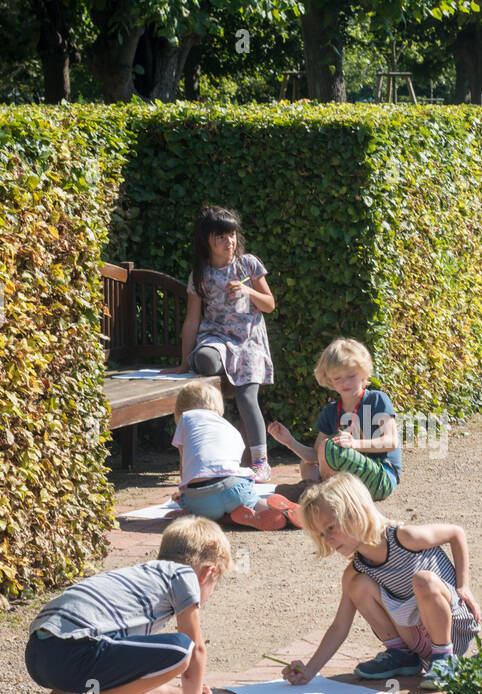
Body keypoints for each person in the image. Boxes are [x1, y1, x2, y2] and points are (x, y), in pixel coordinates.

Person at [24, 516, 231, 694]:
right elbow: (196, 649)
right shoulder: (184, 574)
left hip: (42, 656)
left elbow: (123, 671)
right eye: (215, 583)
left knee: (109, 648)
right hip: (75, 653)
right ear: (208, 572)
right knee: (182, 649)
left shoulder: (142, 578)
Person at [282, 473, 481, 692]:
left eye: (331, 527)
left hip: (454, 630)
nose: (327, 539)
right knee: (357, 585)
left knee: (423, 580)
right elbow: (340, 626)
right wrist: (308, 672)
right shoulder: (357, 568)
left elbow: (456, 533)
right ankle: (402, 655)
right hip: (416, 638)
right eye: (321, 534)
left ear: (356, 512)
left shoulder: (405, 538)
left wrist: (464, 586)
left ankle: (445, 659)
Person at [166, 205, 276, 481]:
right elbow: (192, 320)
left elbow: (270, 304)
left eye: (232, 236)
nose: (229, 242)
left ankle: (260, 462)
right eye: (221, 237)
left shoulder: (248, 265)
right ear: (207, 241)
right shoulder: (200, 275)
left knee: (246, 396)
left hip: (249, 340)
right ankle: (216, 448)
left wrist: (248, 290)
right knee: (204, 360)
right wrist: (183, 361)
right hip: (216, 338)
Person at [267, 338, 401, 501]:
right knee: (307, 463)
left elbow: (391, 442)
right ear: (329, 380)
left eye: (351, 376)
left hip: (381, 476)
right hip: (351, 481)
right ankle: (314, 493)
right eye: (337, 378)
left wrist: (354, 444)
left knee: (329, 448)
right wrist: (290, 441)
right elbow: (317, 456)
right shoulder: (331, 410)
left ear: (364, 373)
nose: (345, 382)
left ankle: (315, 494)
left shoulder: (377, 399)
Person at [169, 380, 300, 530]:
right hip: (234, 489)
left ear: (181, 408)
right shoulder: (230, 429)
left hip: (203, 500)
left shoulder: (186, 418)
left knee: (193, 506)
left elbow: (184, 465)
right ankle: (276, 512)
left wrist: (184, 494)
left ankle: (230, 518)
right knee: (253, 500)